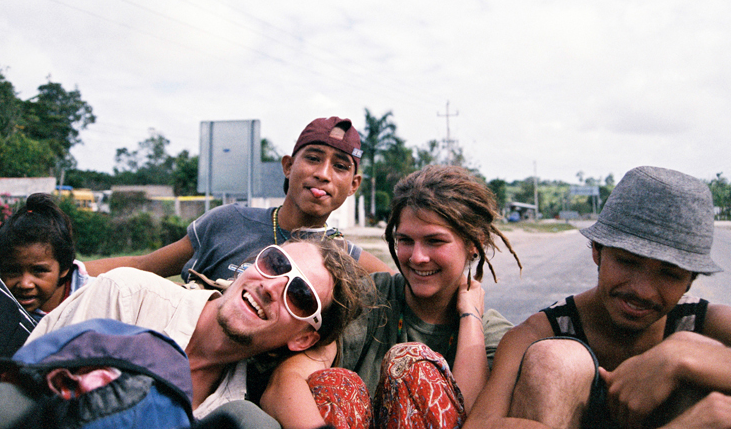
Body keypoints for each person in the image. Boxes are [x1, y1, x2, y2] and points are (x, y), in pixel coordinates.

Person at [465, 166, 731, 429]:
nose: (643, 291)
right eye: (627, 262)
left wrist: (680, 357)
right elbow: (479, 424)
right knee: (555, 361)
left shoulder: (708, 324)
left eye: (669, 274)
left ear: (691, 279)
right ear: (597, 251)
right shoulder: (537, 333)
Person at [261, 165, 523, 429]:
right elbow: (285, 382)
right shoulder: (368, 298)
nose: (417, 257)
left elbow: (469, 419)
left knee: (412, 365)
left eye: (435, 241)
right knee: (334, 385)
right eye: (406, 240)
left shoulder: (494, 334)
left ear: (473, 244)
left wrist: (470, 317)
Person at [27, 237, 370, 425]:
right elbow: (16, 392)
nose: (270, 286)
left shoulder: (239, 408)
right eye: (275, 263)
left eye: (299, 295)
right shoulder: (127, 299)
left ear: (302, 338)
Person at [84, 116, 391, 283]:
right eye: (313, 158)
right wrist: (66, 273)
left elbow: (412, 290)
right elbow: (142, 265)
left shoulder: (348, 261)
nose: (323, 174)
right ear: (288, 165)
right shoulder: (227, 223)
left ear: (354, 185)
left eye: (340, 166)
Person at [0, 193, 91, 322]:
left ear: (65, 267)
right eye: (12, 271)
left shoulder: (93, 298)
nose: (25, 284)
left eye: (39, 270)